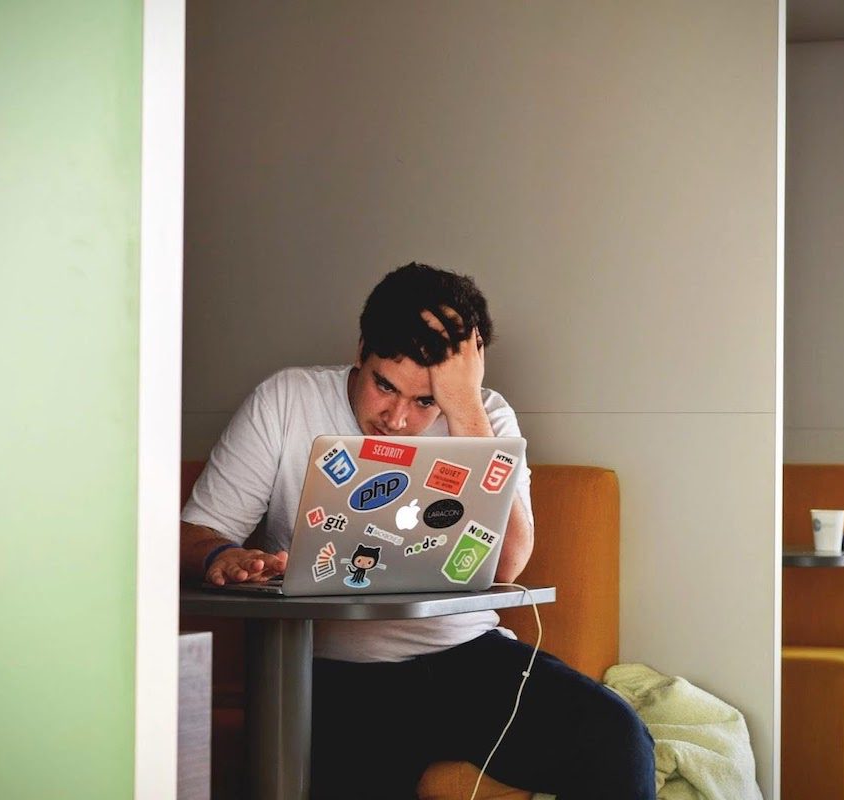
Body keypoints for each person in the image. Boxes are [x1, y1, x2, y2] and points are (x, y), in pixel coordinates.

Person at [179, 263, 656, 799]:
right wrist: (223, 555)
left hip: (467, 657)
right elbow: (195, 533)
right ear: (361, 350)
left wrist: (464, 409)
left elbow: (507, 565)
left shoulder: (485, 415)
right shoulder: (286, 400)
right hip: (336, 672)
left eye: (425, 400)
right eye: (385, 386)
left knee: (617, 738)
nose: (398, 418)